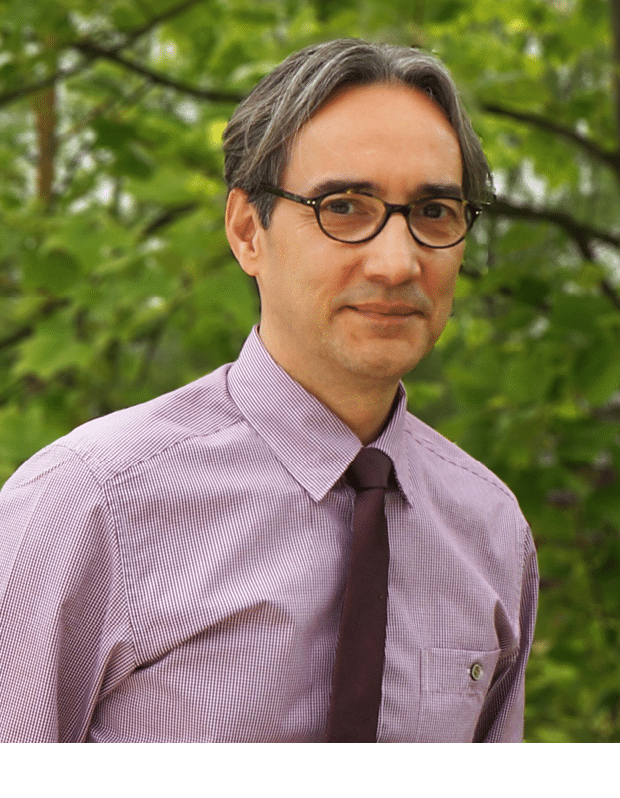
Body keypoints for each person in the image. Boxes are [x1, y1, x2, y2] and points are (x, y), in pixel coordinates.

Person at [0, 38, 538, 743]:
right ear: (248, 231)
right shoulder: (89, 505)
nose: (397, 262)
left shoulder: (491, 531)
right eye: (344, 206)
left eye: (434, 211)